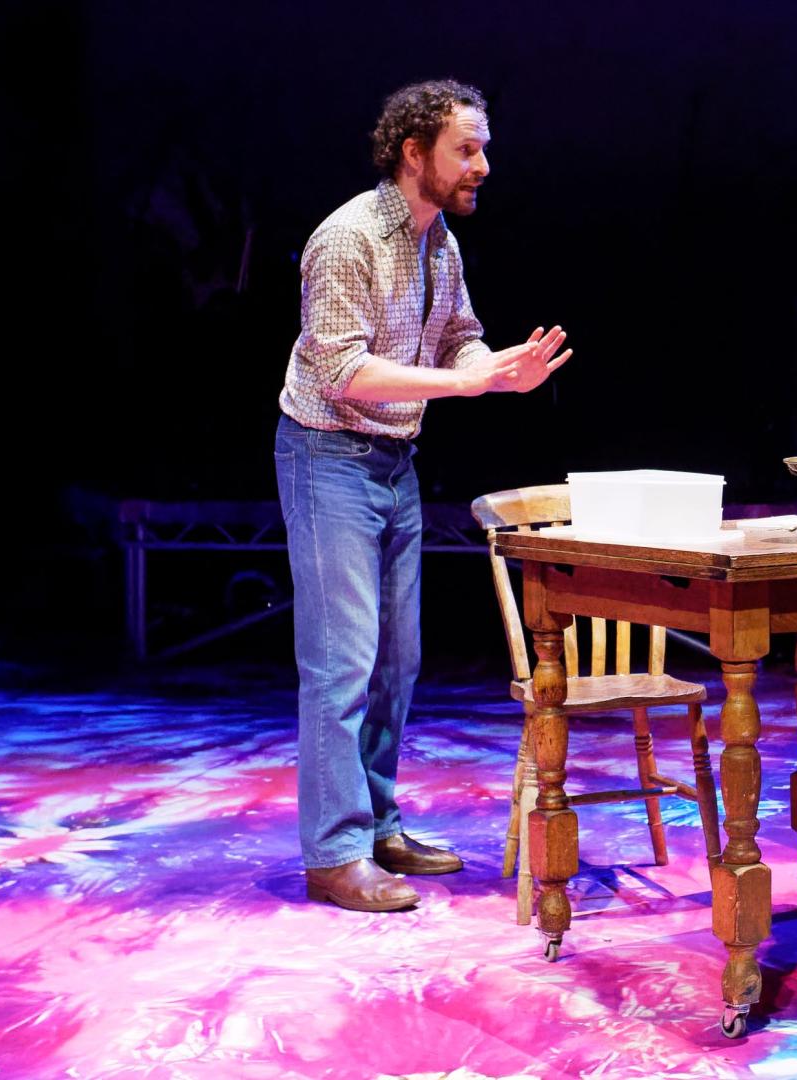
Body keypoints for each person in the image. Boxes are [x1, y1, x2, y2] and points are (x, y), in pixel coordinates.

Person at [275, 79, 571, 911]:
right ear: (414, 154)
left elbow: (460, 336)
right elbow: (343, 373)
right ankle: (333, 855)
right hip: (327, 454)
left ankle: (375, 827)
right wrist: (462, 384)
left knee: (396, 662)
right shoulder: (347, 240)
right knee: (341, 663)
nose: (484, 163)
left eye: (482, 148)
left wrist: (497, 367)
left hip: (394, 461)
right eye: (465, 150)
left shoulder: (439, 241)